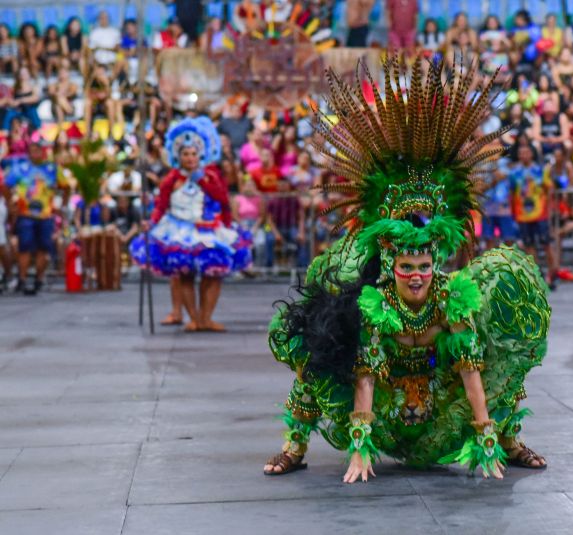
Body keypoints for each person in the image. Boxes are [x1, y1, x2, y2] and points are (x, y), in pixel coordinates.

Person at [263, 58, 550, 481]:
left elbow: (470, 371)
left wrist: (486, 440)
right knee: (318, 341)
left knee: (502, 345)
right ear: (390, 263)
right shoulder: (376, 304)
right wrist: (359, 450)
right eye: (406, 266)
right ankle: (294, 445)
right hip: (383, 408)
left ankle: (510, 439)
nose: (417, 275)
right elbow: (364, 377)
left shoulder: (452, 299)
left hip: (437, 409)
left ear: (437, 262)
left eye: (425, 265)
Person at [130, 117, 252, 332]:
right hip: (179, 231)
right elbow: (161, 205)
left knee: (213, 274)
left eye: (193, 154)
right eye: (185, 154)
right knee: (185, 275)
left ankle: (206, 318)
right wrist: (151, 222)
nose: (190, 158)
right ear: (178, 156)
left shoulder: (211, 175)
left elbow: (222, 199)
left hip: (209, 230)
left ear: (201, 154)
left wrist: (202, 180)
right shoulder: (171, 179)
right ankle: (194, 318)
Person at [3, 140, 66, 295]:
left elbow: (66, 186)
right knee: (24, 248)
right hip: (26, 215)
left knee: (43, 249)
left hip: (46, 215)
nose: (34, 153)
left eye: (37, 150)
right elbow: (4, 185)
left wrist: (61, 205)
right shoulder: (21, 168)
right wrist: (10, 203)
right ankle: (22, 280)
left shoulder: (51, 169)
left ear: (42, 152)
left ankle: (39, 279)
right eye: (31, 150)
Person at [510, 143, 555, 285]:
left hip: (540, 213)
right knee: (529, 245)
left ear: (532, 154)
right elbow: (512, 195)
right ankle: (536, 276)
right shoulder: (514, 173)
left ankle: (552, 275)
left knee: (546, 244)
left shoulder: (541, 170)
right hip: (523, 215)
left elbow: (549, 189)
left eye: (526, 152)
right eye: (521, 153)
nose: (524, 155)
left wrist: (549, 209)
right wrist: (514, 214)